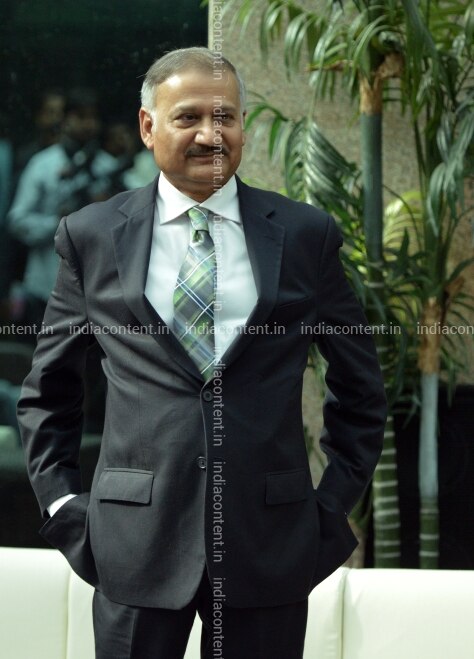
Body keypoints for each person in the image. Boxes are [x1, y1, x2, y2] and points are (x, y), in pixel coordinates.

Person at [17, 48, 387, 659]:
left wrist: (327, 509)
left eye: (226, 117)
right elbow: (48, 393)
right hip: (132, 548)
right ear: (148, 127)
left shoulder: (305, 235)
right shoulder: (91, 236)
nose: (211, 135)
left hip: (268, 546)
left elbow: (361, 391)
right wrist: (63, 505)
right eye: (188, 117)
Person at [8, 88, 119, 338]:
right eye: (81, 117)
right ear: (66, 119)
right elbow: (17, 220)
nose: (88, 124)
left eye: (93, 118)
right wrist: (60, 223)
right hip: (45, 284)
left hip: (96, 289)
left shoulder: (109, 168)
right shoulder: (42, 164)